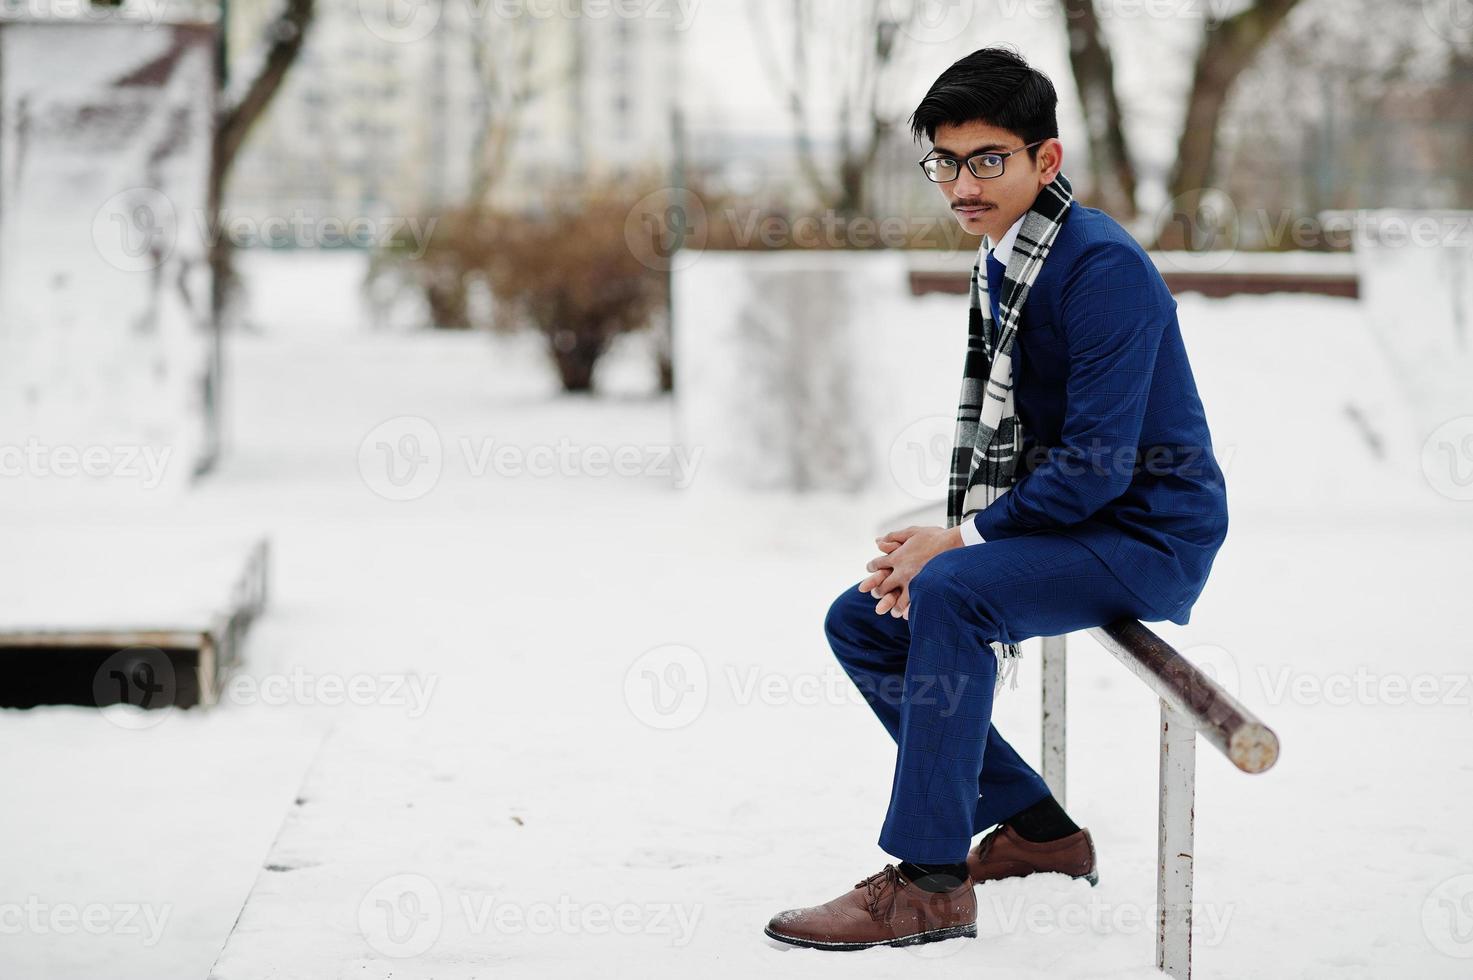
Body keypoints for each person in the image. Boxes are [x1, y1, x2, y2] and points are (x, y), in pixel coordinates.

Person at [763, 46, 1230, 951]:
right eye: (944, 160)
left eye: (987, 160)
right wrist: (950, 537)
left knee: (951, 590)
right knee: (860, 619)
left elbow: (1095, 465)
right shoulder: (1009, 257)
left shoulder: (1099, 268)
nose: (961, 184)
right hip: (1081, 519)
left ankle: (931, 883)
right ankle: (1041, 834)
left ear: (1043, 160)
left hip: (1146, 532)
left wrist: (962, 541)